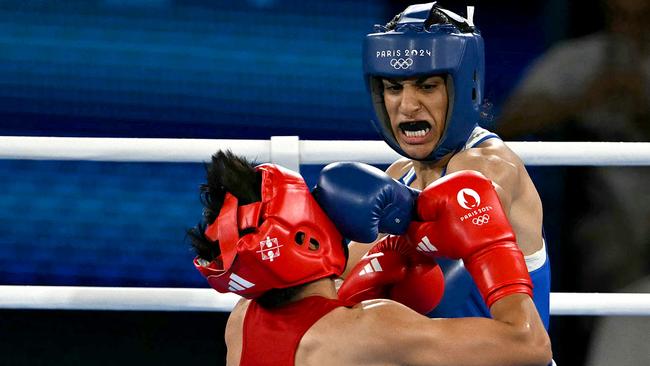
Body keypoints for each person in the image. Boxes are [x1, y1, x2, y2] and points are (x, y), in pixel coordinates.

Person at [187, 150, 551, 366]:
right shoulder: (372, 329)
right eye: (308, 201)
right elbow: (528, 345)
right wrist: (488, 243)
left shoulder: (240, 322)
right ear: (305, 238)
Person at [341, 2, 552, 328]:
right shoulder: (399, 176)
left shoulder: (489, 164)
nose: (408, 106)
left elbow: (472, 203)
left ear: (464, 88)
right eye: (394, 88)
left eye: (427, 86)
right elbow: (344, 275)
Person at [498, 0, 649, 363]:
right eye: (621, 17)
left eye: (642, 17)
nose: (630, 27)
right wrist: (586, 97)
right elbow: (508, 122)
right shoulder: (580, 60)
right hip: (604, 219)